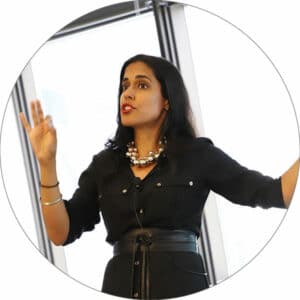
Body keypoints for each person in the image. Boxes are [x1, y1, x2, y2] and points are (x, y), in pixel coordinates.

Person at [19, 54, 299, 299]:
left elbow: (275, 193)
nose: (127, 94)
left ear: (166, 100)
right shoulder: (104, 165)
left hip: (182, 282)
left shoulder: (198, 155)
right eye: (124, 86)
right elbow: (60, 232)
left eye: (141, 85)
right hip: (118, 284)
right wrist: (47, 164)